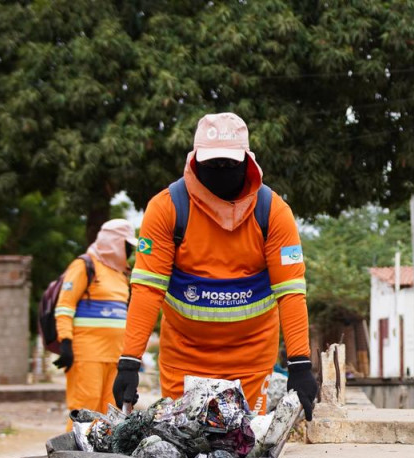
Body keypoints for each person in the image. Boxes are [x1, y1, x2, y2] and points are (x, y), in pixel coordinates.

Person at [112, 112, 318, 419]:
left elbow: (290, 292)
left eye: (229, 163)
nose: (221, 170)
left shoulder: (273, 212)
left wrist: (300, 364)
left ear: (247, 160)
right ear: (195, 159)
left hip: (252, 356)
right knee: (181, 438)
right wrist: (129, 362)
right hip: (185, 355)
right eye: (213, 163)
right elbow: (147, 290)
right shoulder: (167, 208)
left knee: (245, 439)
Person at [53, 218, 137, 424]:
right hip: (87, 354)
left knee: (110, 414)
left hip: (115, 356)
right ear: (113, 243)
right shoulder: (84, 266)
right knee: (85, 410)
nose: (129, 251)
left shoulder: (121, 274)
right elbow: (64, 306)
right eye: (126, 245)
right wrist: (65, 342)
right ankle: (74, 446)